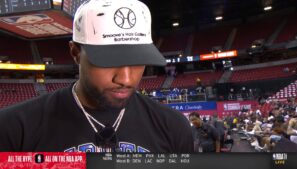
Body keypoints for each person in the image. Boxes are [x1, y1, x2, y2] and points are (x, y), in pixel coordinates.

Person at [0, 0, 194, 153]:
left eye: (137, 60)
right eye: (109, 60)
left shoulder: (173, 126)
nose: (126, 79)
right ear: (75, 52)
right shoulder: (14, 128)